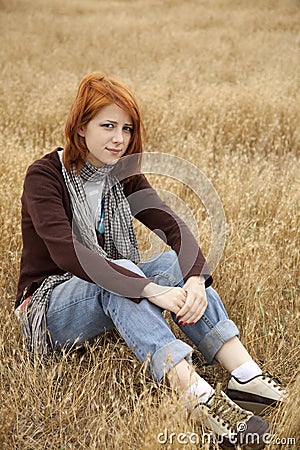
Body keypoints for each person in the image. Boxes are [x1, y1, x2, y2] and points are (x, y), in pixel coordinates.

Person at [15, 72, 286, 449]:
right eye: (107, 126)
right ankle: (200, 400)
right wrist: (148, 289)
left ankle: (246, 375)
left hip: (105, 289)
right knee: (127, 271)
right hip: (48, 306)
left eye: (126, 128)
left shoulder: (122, 174)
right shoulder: (44, 176)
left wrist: (194, 280)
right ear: (80, 128)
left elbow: (172, 225)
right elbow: (68, 252)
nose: (119, 139)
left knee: (174, 265)